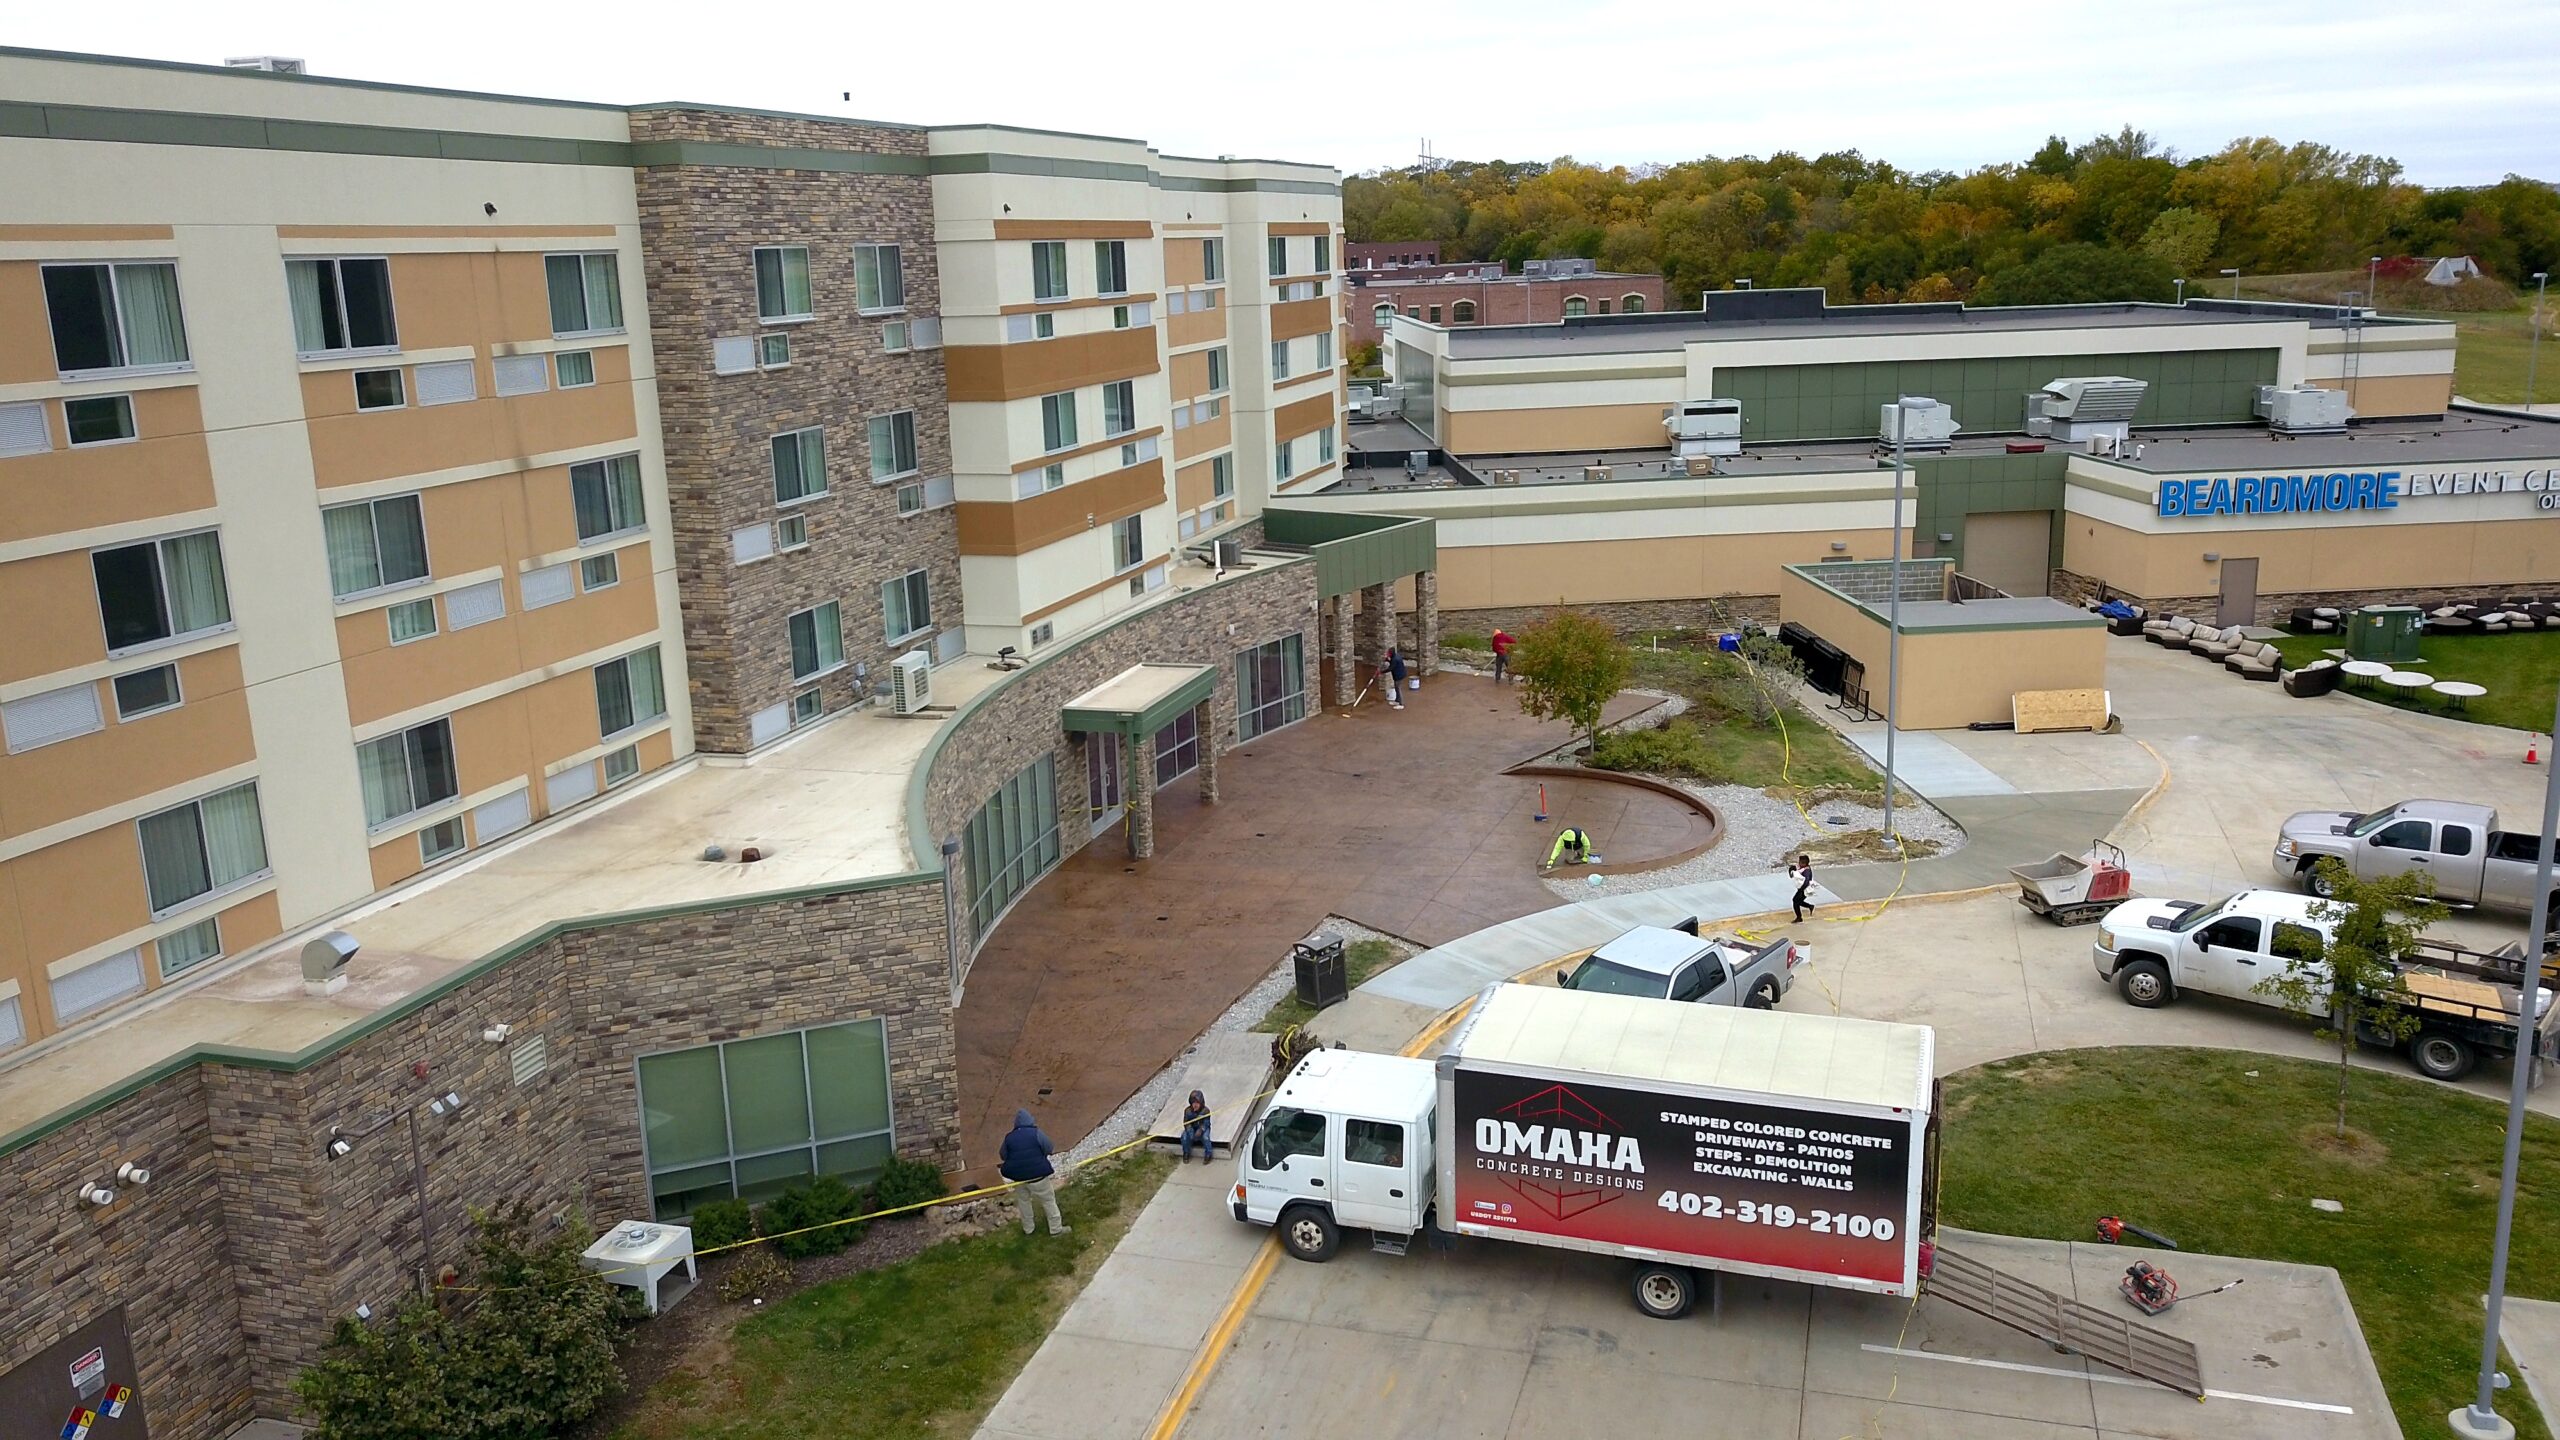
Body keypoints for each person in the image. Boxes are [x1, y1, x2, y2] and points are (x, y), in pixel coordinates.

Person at [999, 1108, 1069, 1235]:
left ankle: (1028, 1229)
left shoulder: (1009, 1137)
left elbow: (1003, 1155)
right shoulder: (1036, 1132)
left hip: (1019, 1178)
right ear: (1030, 1120)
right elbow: (1049, 1147)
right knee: (1048, 1201)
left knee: (1024, 1202)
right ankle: (1056, 1229)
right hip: (1038, 1176)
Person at [1180, 1090, 1213, 1164]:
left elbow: (1206, 1123)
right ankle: (1186, 1152)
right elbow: (1186, 1122)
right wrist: (1190, 1130)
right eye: (1193, 1103)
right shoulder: (1187, 1111)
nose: (1195, 1105)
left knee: (1206, 1138)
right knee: (1184, 1137)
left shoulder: (1206, 1111)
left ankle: (1208, 1154)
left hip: (1202, 1128)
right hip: (1192, 1128)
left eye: (1197, 1103)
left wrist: (1201, 1130)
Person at [1790, 854, 1815, 922]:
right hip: (1802, 888)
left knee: (1795, 901)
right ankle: (1810, 906)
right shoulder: (1802, 867)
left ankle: (1799, 918)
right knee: (1798, 901)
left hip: (1805, 889)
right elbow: (1793, 868)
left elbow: (1806, 882)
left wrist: (1800, 890)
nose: (1799, 863)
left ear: (1804, 863)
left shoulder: (1807, 871)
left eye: (1800, 862)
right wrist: (1791, 870)